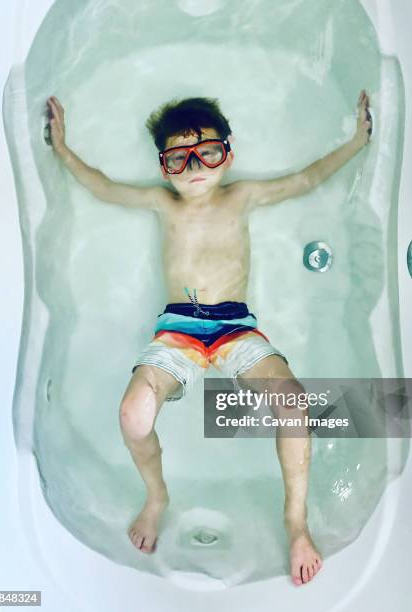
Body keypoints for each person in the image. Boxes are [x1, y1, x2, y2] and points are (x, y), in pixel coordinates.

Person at [47, 90, 372, 586]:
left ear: (229, 154)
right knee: (133, 414)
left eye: (208, 152)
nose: (195, 166)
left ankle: (296, 523)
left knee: (295, 405)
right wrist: (64, 150)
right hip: (178, 328)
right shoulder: (161, 202)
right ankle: (157, 496)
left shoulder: (240, 196)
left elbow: (305, 179)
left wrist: (354, 144)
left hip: (235, 326)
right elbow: (105, 188)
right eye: (179, 158)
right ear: (163, 167)